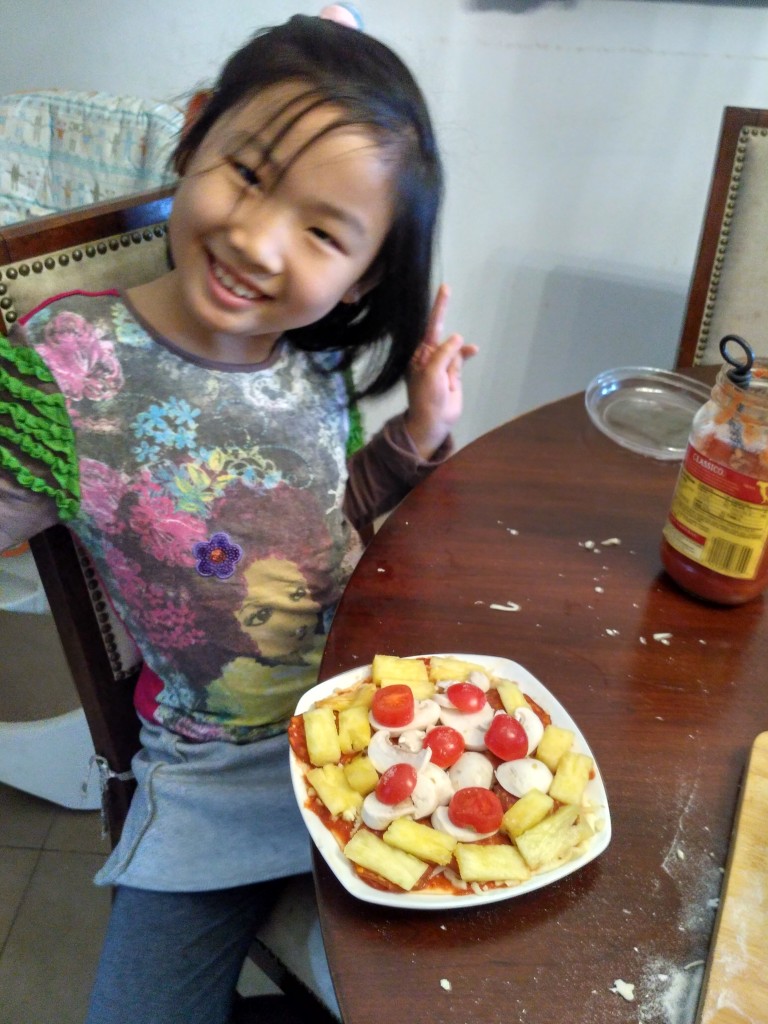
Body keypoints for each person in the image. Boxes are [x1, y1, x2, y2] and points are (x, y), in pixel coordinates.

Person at [0, 13, 477, 1024]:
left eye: (322, 231)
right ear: (195, 135)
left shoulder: (314, 362)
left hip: (374, 728)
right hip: (218, 771)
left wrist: (418, 435)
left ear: (366, 272)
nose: (259, 243)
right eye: (251, 175)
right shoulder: (67, 366)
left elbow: (323, 524)